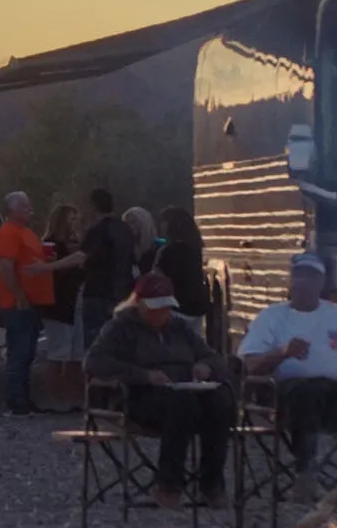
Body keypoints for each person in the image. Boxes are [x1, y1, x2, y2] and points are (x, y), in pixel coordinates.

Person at [85, 271, 235, 508]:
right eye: (155, 307)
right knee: (180, 405)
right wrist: (143, 375)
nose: (161, 313)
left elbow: (213, 356)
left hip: (185, 389)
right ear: (139, 303)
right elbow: (94, 362)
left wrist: (205, 367)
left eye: (165, 307)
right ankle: (169, 484)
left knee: (220, 402)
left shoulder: (180, 327)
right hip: (139, 396)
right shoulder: (120, 328)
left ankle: (211, 483)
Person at [238, 254, 337, 464]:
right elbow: (250, 366)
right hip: (285, 398)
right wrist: (282, 352)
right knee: (305, 394)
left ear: (321, 282)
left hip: (336, 395)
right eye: (299, 276)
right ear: (290, 281)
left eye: (311, 277)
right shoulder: (272, 317)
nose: (304, 282)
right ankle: (305, 471)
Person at [0, 190, 57, 413]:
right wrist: (19, 295)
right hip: (17, 304)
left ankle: (24, 399)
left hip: (32, 302)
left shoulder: (26, 232)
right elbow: (6, 267)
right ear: (12, 210)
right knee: (19, 352)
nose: (30, 210)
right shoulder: (8, 233)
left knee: (28, 352)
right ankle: (15, 402)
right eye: (25, 206)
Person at [75, 188, 139, 354]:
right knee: (119, 345)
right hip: (122, 294)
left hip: (98, 293)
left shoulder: (97, 231)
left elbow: (81, 258)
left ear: (93, 206)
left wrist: (45, 267)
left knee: (95, 346)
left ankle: (96, 378)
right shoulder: (124, 229)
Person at [37, 203, 88, 407]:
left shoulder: (77, 243)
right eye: (71, 218)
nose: (74, 223)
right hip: (59, 304)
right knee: (58, 352)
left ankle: (75, 396)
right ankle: (54, 397)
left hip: (77, 302)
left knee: (77, 353)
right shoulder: (51, 245)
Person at [153, 205, 212, 329]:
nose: (161, 226)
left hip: (175, 308)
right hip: (196, 308)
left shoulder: (168, 251)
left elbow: (157, 278)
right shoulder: (195, 249)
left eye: (164, 222)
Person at [121, 205, 159, 277]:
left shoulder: (156, 248)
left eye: (133, 222)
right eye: (126, 223)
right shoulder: (124, 249)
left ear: (144, 223)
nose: (130, 226)